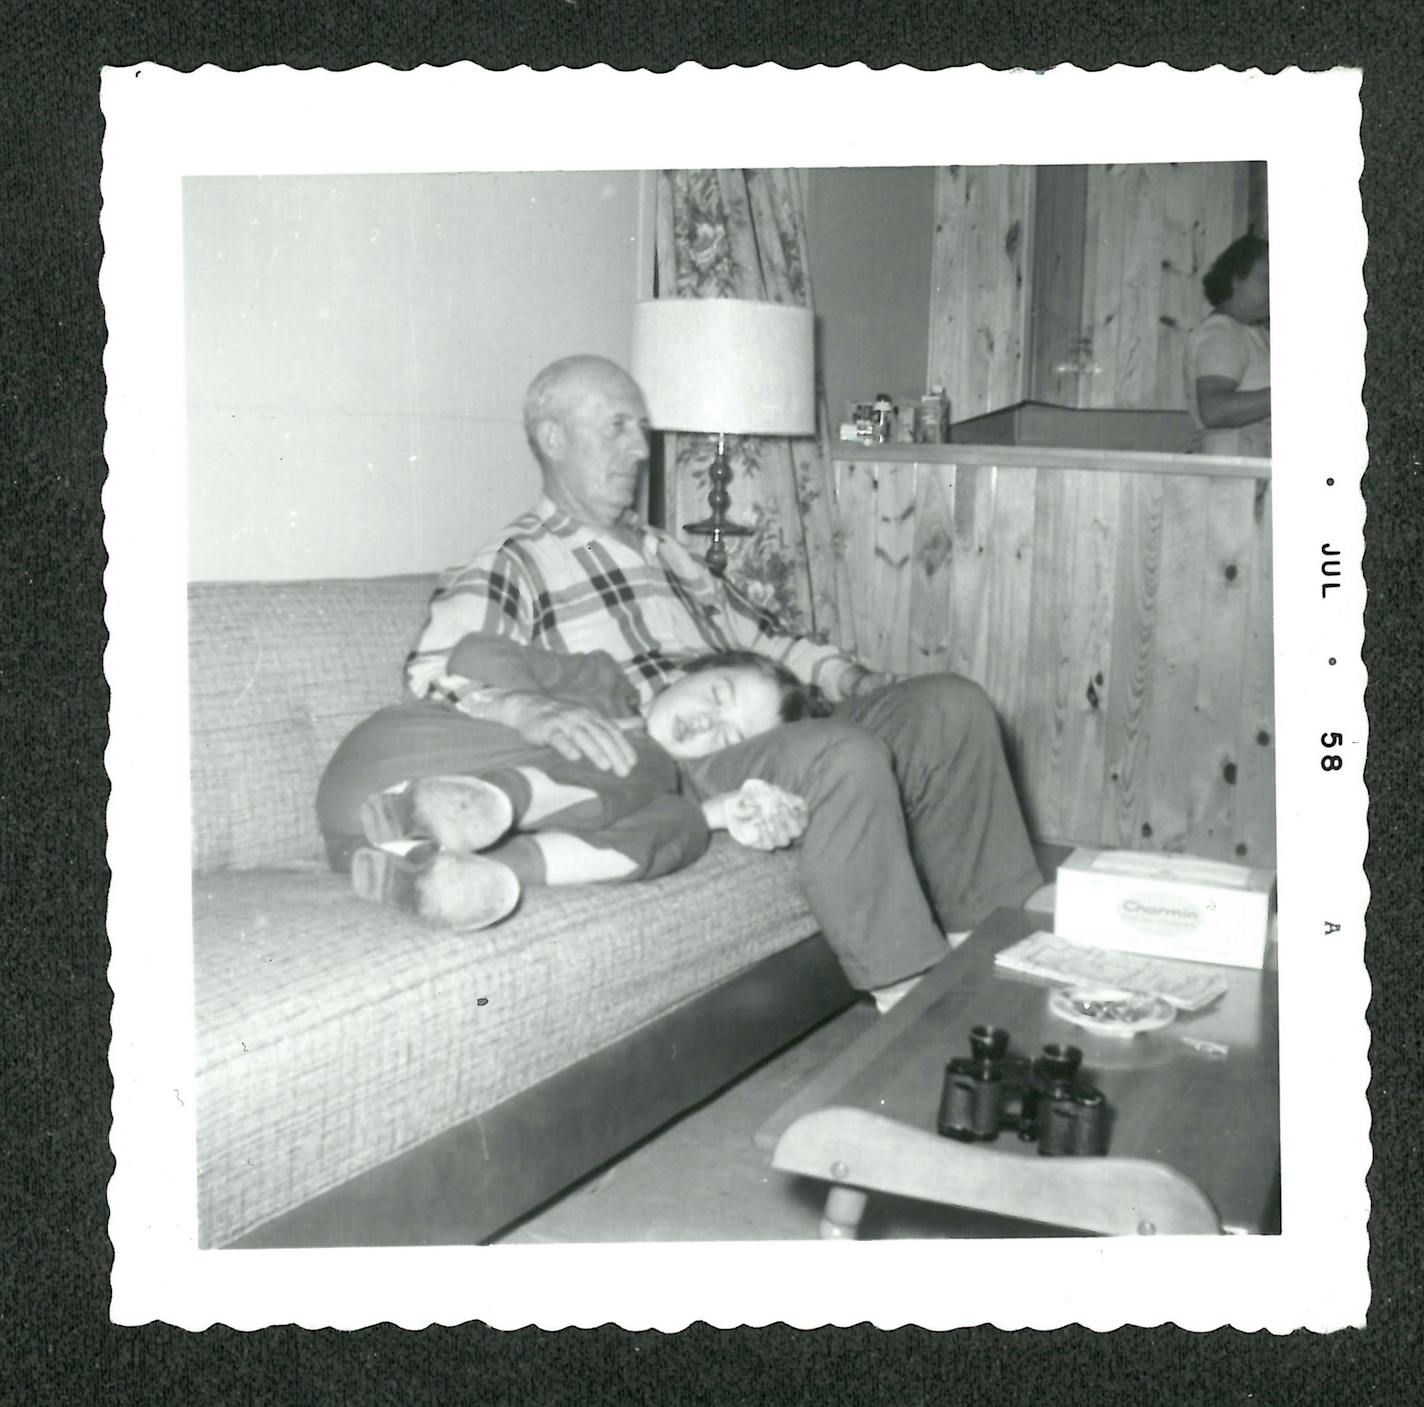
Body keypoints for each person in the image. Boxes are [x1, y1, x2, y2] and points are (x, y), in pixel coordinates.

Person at [332, 354, 1045, 1011]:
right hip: (675, 758)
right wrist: (530, 711)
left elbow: (763, 638)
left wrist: (851, 675)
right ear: (552, 438)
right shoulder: (513, 562)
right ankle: (913, 1006)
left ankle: (1002, 949)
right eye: (617, 427)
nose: (641, 449)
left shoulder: (664, 550)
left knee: (950, 705)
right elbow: (433, 669)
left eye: (640, 428)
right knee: (841, 755)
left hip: (751, 720)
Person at [317, 640, 827, 930]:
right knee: (646, 759)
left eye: (730, 736)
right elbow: (475, 653)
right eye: (718, 694)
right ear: (685, 672)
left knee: (682, 825)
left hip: (363, 844)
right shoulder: (601, 681)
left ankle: (452, 873)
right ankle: (490, 803)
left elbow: (675, 820)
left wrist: (722, 813)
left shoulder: (671, 789)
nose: (709, 723)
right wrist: (527, 707)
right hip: (408, 754)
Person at [1185, 233, 1271, 457]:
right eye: (1267, 279)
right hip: (1230, 473)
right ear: (1236, 279)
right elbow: (1214, 410)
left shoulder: (1252, 332)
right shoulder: (1221, 332)